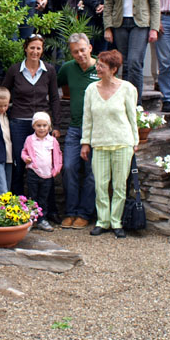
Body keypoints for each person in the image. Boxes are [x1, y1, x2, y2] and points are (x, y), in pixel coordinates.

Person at [80, 49, 138, 239]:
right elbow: (87, 118)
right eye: (97, 64)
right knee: (100, 185)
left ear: (113, 69)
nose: (97, 68)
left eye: (101, 66)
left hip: (122, 143)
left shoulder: (128, 88)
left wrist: (135, 141)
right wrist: (85, 143)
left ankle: (116, 222)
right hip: (100, 144)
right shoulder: (91, 90)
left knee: (120, 185)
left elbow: (132, 117)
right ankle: (102, 221)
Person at [1, 34, 61, 196]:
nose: (35, 51)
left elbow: (54, 98)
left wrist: (56, 125)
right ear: (26, 49)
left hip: (42, 125)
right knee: (19, 164)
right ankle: (18, 205)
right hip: (19, 122)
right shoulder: (15, 70)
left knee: (45, 165)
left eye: (38, 48)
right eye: (32, 47)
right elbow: (3, 92)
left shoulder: (49, 70)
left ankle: (47, 210)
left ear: (42, 50)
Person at [103, 0, 160, 104]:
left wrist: (154, 28)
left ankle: (136, 103)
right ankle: (124, 101)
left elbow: (155, 3)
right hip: (119, 24)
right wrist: (108, 27)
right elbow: (108, 3)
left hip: (140, 24)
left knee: (135, 62)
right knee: (124, 64)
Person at [57, 33, 100, 229]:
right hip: (75, 128)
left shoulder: (101, 67)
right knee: (68, 168)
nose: (80, 54)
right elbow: (54, 85)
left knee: (92, 172)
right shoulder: (68, 68)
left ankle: (84, 213)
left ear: (90, 48)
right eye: (75, 52)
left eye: (83, 50)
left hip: (98, 129)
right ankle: (71, 211)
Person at [21, 112, 63, 232]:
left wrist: (57, 169)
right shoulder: (30, 140)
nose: (41, 128)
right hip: (33, 172)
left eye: (44, 125)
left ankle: (42, 219)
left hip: (47, 174)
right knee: (32, 196)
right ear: (34, 126)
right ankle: (30, 219)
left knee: (44, 198)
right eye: (38, 125)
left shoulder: (52, 141)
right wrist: (26, 158)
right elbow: (23, 152)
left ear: (49, 127)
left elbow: (58, 155)